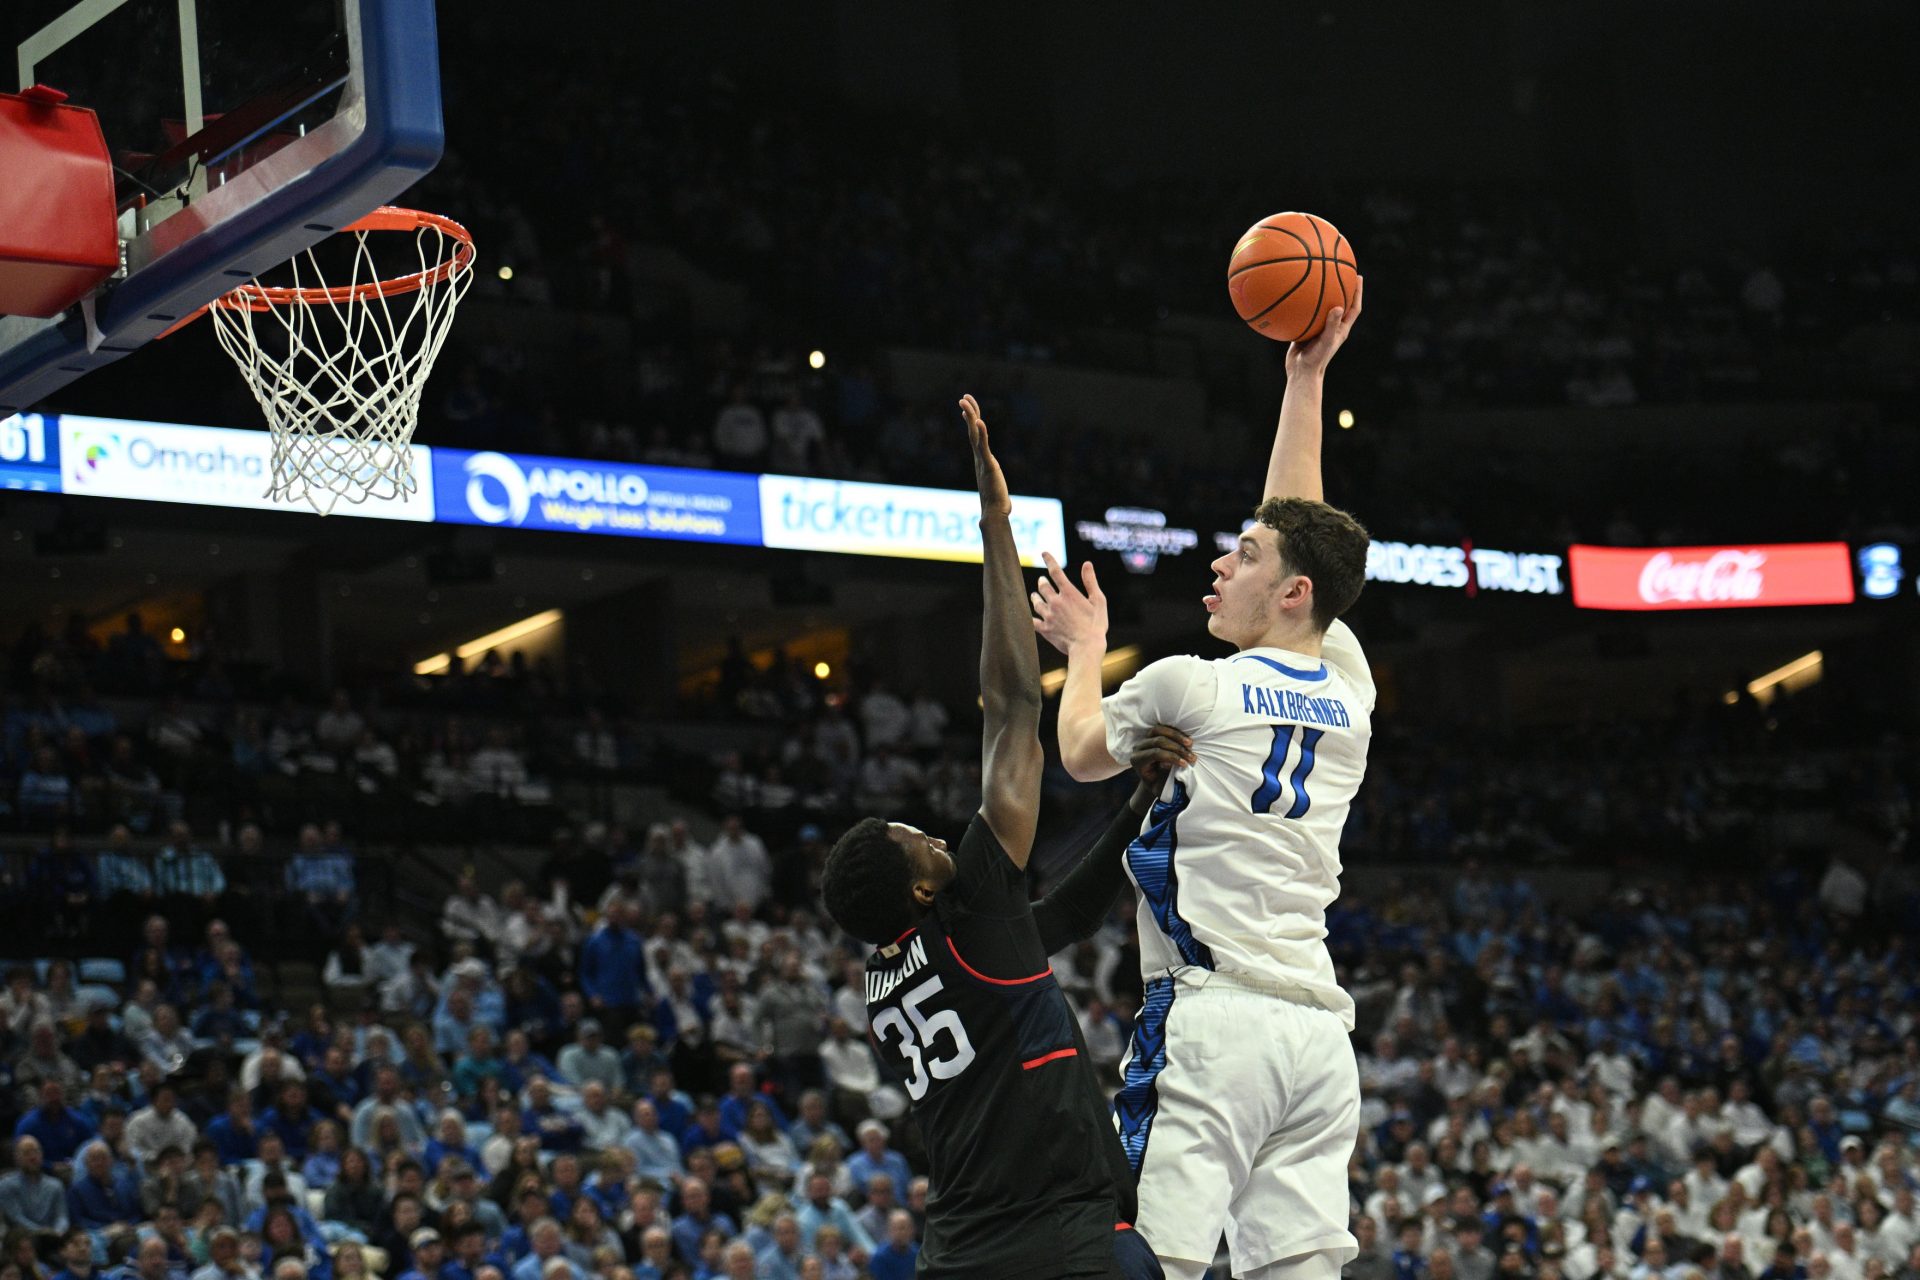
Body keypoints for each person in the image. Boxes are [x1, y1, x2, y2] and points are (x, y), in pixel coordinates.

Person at [1033, 284, 1371, 1279]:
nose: (1222, 565)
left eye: (1245, 555)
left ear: (1292, 592)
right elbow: (1298, 522)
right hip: (1318, 1036)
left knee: (1147, 1261)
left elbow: (1083, 751)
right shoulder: (1351, 682)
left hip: (1212, 1019)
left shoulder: (1193, 687)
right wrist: (1305, 382)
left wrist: (1086, 647)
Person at [820, 396, 1170, 1279]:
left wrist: (1136, 806)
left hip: (961, 1248)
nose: (940, 836)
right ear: (926, 888)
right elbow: (1013, 708)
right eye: (921, 841)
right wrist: (995, 522)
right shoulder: (968, 908)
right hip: (1056, 1234)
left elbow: (1064, 917)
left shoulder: (893, 970)